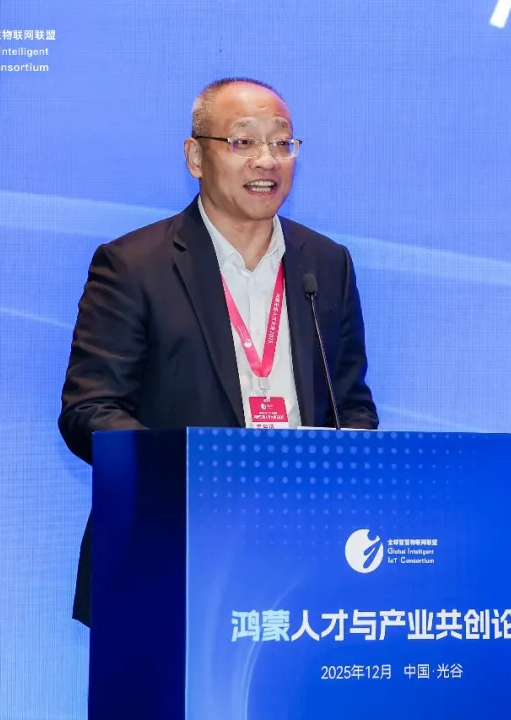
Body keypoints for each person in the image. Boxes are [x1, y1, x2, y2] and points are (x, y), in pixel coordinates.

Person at [57, 77, 379, 627]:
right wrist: (195, 474)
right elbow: (89, 410)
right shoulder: (134, 265)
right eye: (243, 141)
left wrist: (343, 479)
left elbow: (350, 403)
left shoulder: (326, 264)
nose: (267, 160)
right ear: (195, 157)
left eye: (282, 142)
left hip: (301, 557)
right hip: (169, 549)